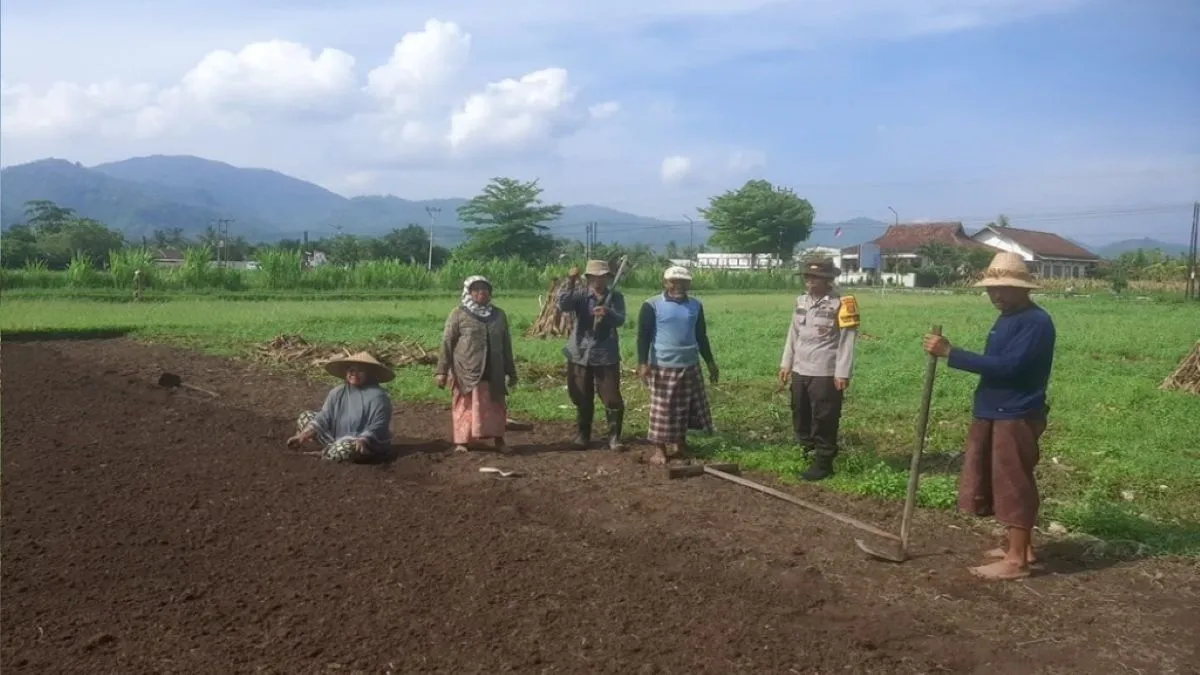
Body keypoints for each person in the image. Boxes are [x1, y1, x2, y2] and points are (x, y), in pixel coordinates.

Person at [922, 251, 1056, 581]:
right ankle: (1022, 548)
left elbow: (1009, 367)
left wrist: (952, 354)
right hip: (995, 409)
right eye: (991, 290)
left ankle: (1016, 562)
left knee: (1014, 483)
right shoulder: (1008, 318)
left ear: (1023, 289)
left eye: (1003, 289)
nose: (995, 295)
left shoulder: (1036, 322)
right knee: (999, 480)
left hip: (1016, 412)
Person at [778, 258, 859, 482]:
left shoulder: (843, 303)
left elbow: (847, 339)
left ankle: (824, 462)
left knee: (824, 416)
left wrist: (842, 372)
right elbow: (793, 333)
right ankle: (807, 451)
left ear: (827, 280)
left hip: (825, 370)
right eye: (807, 277)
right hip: (800, 368)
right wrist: (786, 362)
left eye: (815, 278)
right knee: (799, 411)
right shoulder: (801, 301)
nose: (810, 281)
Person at [636, 265, 719, 465]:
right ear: (666, 283)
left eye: (683, 282)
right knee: (663, 410)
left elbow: (701, 336)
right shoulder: (652, 305)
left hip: (690, 364)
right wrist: (642, 363)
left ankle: (680, 445)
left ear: (688, 284)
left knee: (685, 407)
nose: (679, 286)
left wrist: (710, 363)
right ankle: (659, 450)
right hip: (663, 365)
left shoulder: (695, 305)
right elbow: (643, 336)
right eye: (674, 282)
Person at [436, 275, 518, 453]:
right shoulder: (458, 314)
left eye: (485, 289)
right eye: (476, 289)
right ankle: (462, 442)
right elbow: (447, 342)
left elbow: (506, 345)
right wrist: (441, 371)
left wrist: (511, 372)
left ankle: (499, 441)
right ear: (468, 293)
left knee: (496, 405)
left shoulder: (499, 315)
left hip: (494, 369)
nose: (481, 292)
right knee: (465, 406)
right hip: (466, 370)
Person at [557, 259, 627, 450]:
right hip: (579, 351)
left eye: (603, 277)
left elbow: (620, 320)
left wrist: (608, 313)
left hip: (606, 352)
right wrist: (570, 281)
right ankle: (583, 434)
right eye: (594, 277)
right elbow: (563, 304)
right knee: (581, 394)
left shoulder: (616, 297)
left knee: (611, 396)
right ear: (587, 278)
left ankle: (614, 437)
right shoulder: (580, 295)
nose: (599, 280)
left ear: (608, 278)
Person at [287, 351, 394, 462]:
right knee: (305, 417)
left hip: (365, 443)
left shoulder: (378, 396)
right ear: (346, 372)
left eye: (360, 371)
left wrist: (364, 438)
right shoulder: (337, 392)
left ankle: (328, 452)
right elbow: (325, 416)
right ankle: (332, 449)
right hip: (337, 437)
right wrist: (303, 435)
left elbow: (379, 424)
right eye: (351, 370)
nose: (354, 374)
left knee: (346, 449)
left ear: (369, 374)